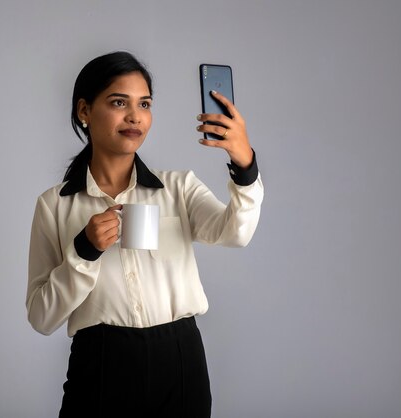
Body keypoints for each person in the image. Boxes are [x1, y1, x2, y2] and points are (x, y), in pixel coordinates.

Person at [26, 51, 264, 418]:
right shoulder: (54, 206)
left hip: (180, 360)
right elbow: (42, 317)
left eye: (145, 103)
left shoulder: (178, 188)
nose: (135, 116)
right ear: (84, 111)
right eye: (119, 102)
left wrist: (244, 162)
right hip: (102, 361)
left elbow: (236, 232)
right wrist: (83, 251)